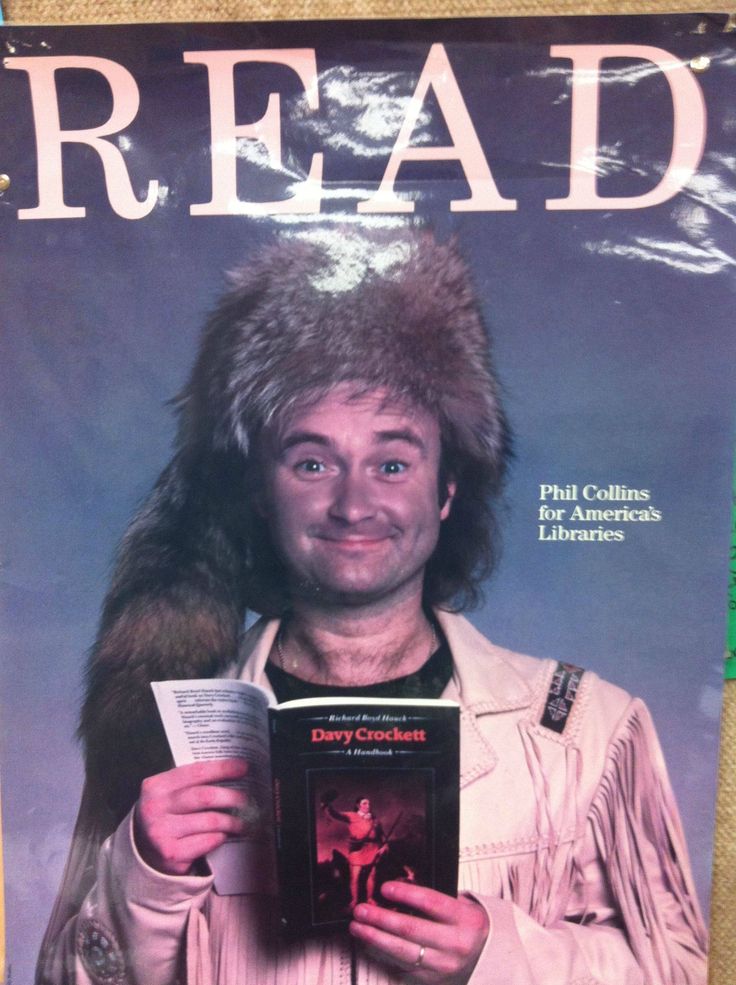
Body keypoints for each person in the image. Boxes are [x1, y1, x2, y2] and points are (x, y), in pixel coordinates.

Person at [37, 228, 707, 985]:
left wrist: (498, 955)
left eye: (392, 462)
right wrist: (147, 878)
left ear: (448, 488)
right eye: (313, 461)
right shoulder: (164, 734)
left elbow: (681, 971)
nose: (353, 503)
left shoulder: (582, 729)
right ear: (261, 490)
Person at [322, 796, 388, 910]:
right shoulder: (351, 816)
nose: (368, 806)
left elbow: (382, 836)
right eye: (364, 803)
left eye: (369, 804)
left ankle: (370, 899)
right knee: (355, 876)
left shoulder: (375, 820)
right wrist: (328, 804)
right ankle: (354, 901)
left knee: (372, 875)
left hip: (372, 848)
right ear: (358, 805)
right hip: (357, 849)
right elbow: (336, 814)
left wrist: (385, 846)